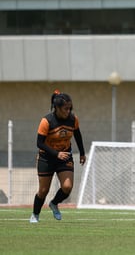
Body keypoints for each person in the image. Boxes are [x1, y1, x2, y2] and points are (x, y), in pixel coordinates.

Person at [29, 90, 86, 223]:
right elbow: (39, 143)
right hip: (46, 158)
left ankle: (54, 203)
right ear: (57, 108)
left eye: (70, 108)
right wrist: (56, 154)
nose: (68, 111)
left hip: (65, 156)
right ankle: (35, 215)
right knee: (43, 190)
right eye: (66, 109)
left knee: (67, 187)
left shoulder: (73, 119)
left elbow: (78, 135)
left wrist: (82, 153)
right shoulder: (46, 121)